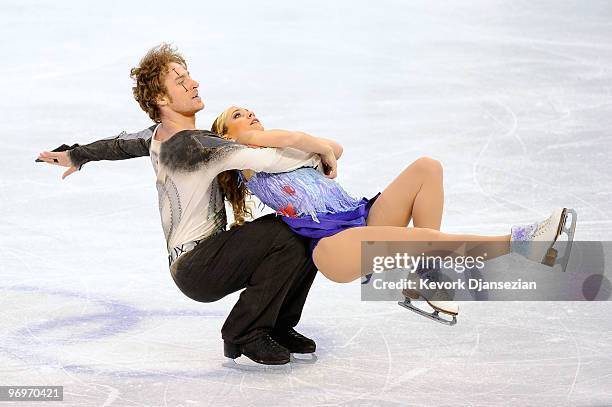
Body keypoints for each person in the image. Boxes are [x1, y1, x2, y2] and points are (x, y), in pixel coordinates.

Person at [36, 44, 343, 366]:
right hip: (201, 265)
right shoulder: (196, 146)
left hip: (198, 261)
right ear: (161, 99)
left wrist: (77, 154)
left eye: (189, 76)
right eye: (181, 81)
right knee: (291, 230)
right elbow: (276, 160)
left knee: (299, 229)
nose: (193, 84)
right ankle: (244, 333)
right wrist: (321, 147)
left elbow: (118, 145)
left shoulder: (159, 136)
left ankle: (277, 326)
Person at [208, 105, 577, 320]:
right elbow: (293, 140)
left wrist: (321, 147)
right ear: (226, 135)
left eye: (251, 110)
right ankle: (521, 244)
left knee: (427, 167)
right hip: (332, 245)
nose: (251, 114)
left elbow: (335, 146)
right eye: (239, 114)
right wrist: (318, 147)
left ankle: (426, 275)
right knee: (420, 238)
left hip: (363, 216)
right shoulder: (248, 161)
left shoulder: (281, 153)